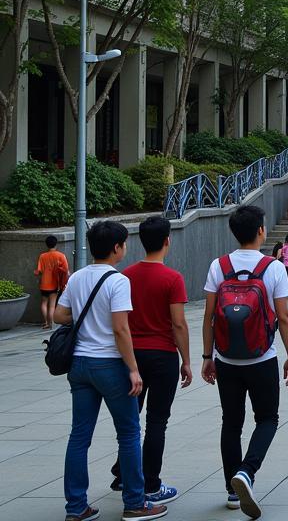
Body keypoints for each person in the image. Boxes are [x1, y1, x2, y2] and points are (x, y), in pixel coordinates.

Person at [55, 220, 166, 521]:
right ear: (117, 248)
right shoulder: (118, 281)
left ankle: (76, 507)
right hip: (110, 365)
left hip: (79, 365)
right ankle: (134, 503)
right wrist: (133, 369)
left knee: (79, 436)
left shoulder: (77, 277)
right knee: (129, 433)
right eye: (124, 244)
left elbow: (59, 314)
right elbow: (121, 330)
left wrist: (86, 320)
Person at [201, 204, 288, 519]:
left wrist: (207, 356)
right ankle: (247, 471)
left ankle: (231, 491)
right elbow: (283, 317)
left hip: (226, 358)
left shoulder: (219, 265)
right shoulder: (273, 267)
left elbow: (210, 316)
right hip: (262, 358)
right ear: (261, 231)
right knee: (267, 419)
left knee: (231, 422)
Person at [108, 216, 191, 506]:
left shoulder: (125, 275)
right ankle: (152, 484)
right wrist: (187, 360)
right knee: (157, 420)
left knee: (131, 419)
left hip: (131, 355)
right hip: (163, 355)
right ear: (167, 240)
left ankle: (122, 473)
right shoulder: (172, 278)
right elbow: (178, 325)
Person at [35, 233, 69, 329]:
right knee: (52, 305)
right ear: (56, 244)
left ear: (47, 244)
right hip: (54, 284)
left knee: (44, 303)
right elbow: (66, 269)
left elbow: (39, 270)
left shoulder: (42, 256)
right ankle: (51, 324)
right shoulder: (60, 256)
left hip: (43, 284)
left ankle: (46, 322)